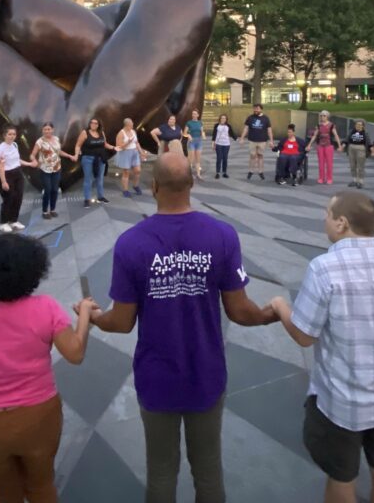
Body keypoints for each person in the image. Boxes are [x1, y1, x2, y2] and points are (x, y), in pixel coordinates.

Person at [88, 153, 277, 501]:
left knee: (161, 471)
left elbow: (121, 322)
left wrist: (92, 315)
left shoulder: (131, 243)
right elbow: (240, 311)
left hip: (156, 376)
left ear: (153, 186)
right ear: (192, 183)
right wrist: (274, 313)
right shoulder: (222, 235)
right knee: (208, 470)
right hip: (206, 372)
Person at [270, 192, 374, 503]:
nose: (325, 220)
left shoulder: (325, 268)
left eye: (327, 214)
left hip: (342, 403)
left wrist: (280, 307)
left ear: (342, 223)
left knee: (342, 479)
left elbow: (305, 335)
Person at [0, 234, 97, 502]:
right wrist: (84, 314)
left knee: (6, 494)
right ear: (34, 272)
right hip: (39, 417)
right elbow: (74, 353)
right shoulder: (46, 308)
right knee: (41, 487)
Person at [0, 126, 37, 233]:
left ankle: (13, 220)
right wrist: (3, 181)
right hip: (6, 175)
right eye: (10, 134)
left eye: (14, 134)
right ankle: (3, 223)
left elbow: (17, 160)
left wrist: (29, 164)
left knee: (18, 198)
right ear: (4, 135)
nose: (12, 136)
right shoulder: (0, 149)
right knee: (9, 199)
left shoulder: (14, 145)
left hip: (17, 173)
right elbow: (0, 166)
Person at [30, 123, 76, 220]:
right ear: (42, 130)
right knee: (48, 190)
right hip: (45, 170)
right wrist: (34, 160)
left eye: (49, 129)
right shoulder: (40, 142)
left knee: (55, 190)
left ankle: (53, 209)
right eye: (45, 129)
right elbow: (32, 155)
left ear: (52, 130)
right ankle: (45, 211)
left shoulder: (56, 139)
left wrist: (69, 156)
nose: (47, 131)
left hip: (57, 169)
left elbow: (58, 151)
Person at [75, 118, 116, 207]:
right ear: (89, 124)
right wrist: (76, 155)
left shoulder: (101, 132)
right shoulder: (85, 133)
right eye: (92, 123)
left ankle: (100, 197)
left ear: (98, 125)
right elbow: (78, 145)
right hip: (88, 159)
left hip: (101, 159)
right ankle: (87, 199)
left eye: (95, 123)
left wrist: (114, 147)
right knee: (88, 179)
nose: (93, 124)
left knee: (100, 178)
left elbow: (105, 144)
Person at [240, 104, 274, 181]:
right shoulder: (250, 117)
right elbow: (246, 129)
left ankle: (261, 171)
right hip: (252, 140)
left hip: (262, 141)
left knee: (260, 155)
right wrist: (242, 138)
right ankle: (251, 171)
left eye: (257, 109)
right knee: (252, 155)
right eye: (254, 108)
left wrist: (271, 141)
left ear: (261, 109)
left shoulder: (266, 118)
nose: (255, 110)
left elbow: (269, 130)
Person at [114, 118, 145, 197]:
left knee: (138, 170)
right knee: (126, 172)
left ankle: (135, 185)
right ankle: (125, 190)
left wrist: (141, 152)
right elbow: (118, 147)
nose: (132, 126)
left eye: (132, 125)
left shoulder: (133, 131)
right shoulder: (121, 133)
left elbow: (137, 142)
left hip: (134, 152)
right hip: (125, 153)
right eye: (131, 125)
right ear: (126, 125)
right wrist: (127, 143)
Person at [311, 111, 342, 185]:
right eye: (321, 116)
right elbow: (315, 135)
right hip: (320, 146)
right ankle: (321, 178)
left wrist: (339, 146)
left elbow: (336, 135)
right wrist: (309, 144)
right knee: (321, 163)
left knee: (329, 163)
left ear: (327, 116)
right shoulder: (319, 125)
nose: (322, 117)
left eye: (324, 116)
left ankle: (329, 178)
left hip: (329, 146)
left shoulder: (331, 125)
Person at [344, 120, 369, 189]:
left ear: (363, 126)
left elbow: (368, 142)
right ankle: (354, 180)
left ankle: (360, 181)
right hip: (351, 148)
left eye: (360, 125)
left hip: (361, 148)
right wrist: (343, 145)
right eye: (357, 124)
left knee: (360, 165)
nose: (358, 126)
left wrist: (371, 150)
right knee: (352, 165)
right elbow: (347, 139)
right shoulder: (351, 132)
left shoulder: (365, 133)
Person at [212, 114, 236, 180]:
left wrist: (237, 139)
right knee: (219, 158)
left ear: (226, 119)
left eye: (224, 118)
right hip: (218, 144)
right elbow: (214, 135)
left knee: (225, 158)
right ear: (220, 119)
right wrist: (213, 143)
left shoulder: (228, 126)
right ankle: (217, 173)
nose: (223, 119)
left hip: (226, 144)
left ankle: (224, 172)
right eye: (222, 118)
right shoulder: (216, 125)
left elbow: (232, 133)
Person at [184, 109, 205, 179]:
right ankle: (188, 174)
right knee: (191, 159)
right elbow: (184, 133)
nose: (194, 115)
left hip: (199, 141)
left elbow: (202, 131)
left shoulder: (200, 123)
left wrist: (203, 135)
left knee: (198, 159)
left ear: (198, 115)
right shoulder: (189, 123)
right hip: (191, 142)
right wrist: (188, 136)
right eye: (193, 114)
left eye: (195, 114)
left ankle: (198, 174)